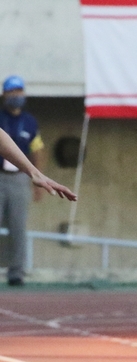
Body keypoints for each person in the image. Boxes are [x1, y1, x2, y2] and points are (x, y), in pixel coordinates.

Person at [0, 75, 78, 286]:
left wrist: (35, 173)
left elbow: (35, 149)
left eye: (19, 91)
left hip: (17, 178)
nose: (16, 96)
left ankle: (16, 272)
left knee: (18, 228)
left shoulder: (29, 122)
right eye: (11, 92)